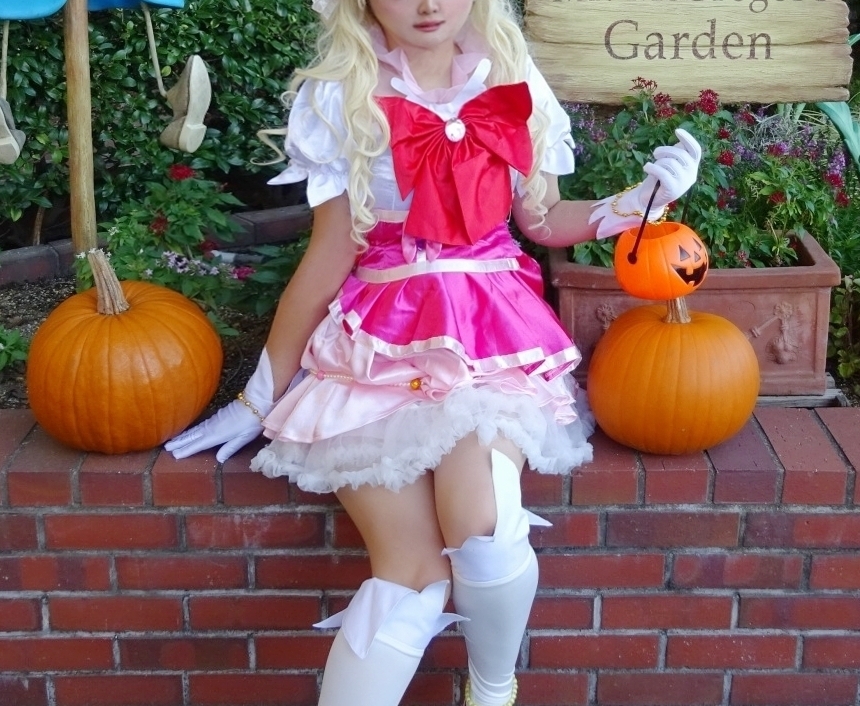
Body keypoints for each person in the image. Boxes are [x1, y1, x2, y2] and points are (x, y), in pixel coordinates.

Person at [166, 0, 701, 701]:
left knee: (487, 531)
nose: (427, 4)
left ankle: (492, 691)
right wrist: (257, 397)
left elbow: (541, 219)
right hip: (377, 345)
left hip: (491, 338)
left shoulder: (510, 73)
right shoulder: (340, 91)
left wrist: (640, 202)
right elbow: (329, 255)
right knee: (411, 580)